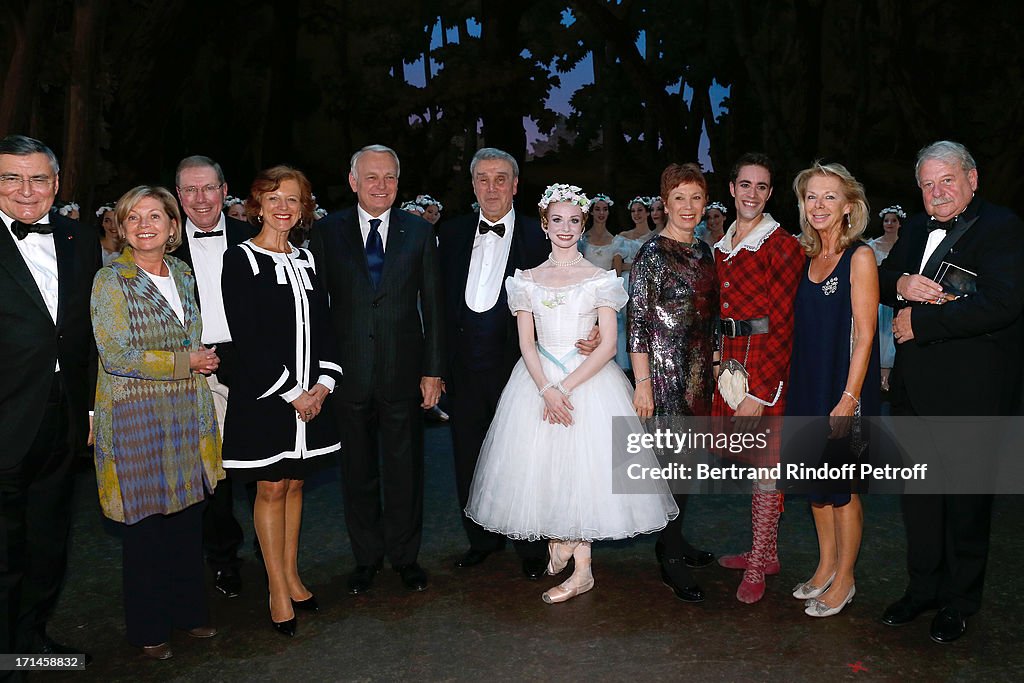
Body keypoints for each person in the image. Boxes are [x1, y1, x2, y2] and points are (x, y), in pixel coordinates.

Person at [465, 183, 678, 603]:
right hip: (537, 382)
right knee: (546, 468)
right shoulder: (526, 280)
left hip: (587, 382)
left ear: (583, 225)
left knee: (586, 471)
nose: (565, 228)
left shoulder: (601, 279)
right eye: (557, 220)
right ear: (544, 225)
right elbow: (526, 343)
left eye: (574, 220)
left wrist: (566, 387)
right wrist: (546, 388)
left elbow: (608, 344)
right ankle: (562, 539)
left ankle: (583, 570)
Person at [879, 141, 1024, 643]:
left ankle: (959, 602)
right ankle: (921, 591)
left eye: (947, 181)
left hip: (972, 393)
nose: (937, 192)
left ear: (972, 179)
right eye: (927, 184)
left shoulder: (1002, 227)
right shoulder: (916, 227)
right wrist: (902, 284)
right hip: (913, 392)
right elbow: (880, 276)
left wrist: (924, 321)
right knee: (919, 499)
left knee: (966, 502)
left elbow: (1004, 303)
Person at [91, 185, 222, 660]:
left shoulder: (183, 273)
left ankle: (190, 613)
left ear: (173, 226)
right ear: (122, 228)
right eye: (133, 218)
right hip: (135, 416)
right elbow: (116, 354)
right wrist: (184, 361)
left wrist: (194, 363)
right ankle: (149, 628)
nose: (144, 225)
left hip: (186, 413)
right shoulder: (111, 280)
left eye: (155, 216)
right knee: (145, 527)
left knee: (187, 518)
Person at [310, 144, 443, 594]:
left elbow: (434, 307)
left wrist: (433, 371)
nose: (381, 186)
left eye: (389, 177)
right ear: (353, 182)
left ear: (398, 183)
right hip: (346, 375)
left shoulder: (418, 233)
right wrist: (320, 374)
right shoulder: (327, 233)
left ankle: (406, 558)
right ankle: (366, 559)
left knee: (405, 471)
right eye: (371, 177)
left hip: (403, 372)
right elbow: (317, 311)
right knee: (357, 471)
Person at [221, 166, 341, 637]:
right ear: (257, 204)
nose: (283, 207)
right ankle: (274, 588)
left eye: (293, 199)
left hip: (311, 399)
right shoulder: (240, 259)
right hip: (267, 397)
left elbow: (326, 328)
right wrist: (294, 393)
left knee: (294, 484)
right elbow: (248, 338)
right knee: (270, 487)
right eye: (274, 198)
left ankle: (292, 577)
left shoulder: (309, 260)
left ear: (304, 207)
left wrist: (325, 386)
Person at [0, 135, 95, 663]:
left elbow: (81, 335)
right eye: (11, 177)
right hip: (5, 417)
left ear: (56, 185)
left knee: (48, 540)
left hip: (62, 416)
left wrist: (86, 408)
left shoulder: (79, 239)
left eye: (37, 178)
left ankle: (31, 642)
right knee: (4, 552)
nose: (25, 190)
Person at [438, 148, 551, 578]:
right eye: (482, 179)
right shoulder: (450, 234)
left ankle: (530, 546)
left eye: (500, 179)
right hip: (462, 370)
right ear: (472, 185)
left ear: (516, 185)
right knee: (468, 456)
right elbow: (436, 305)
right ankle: (481, 539)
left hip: (519, 370)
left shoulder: (537, 237)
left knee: (522, 458)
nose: (491, 187)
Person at [786, 163, 880, 617]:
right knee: (815, 485)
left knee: (842, 488)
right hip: (807, 383)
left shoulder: (859, 257)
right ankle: (825, 567)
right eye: (811, 196)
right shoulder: (805, 256)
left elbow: (865, 336)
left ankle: (846, 580)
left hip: (843, 389)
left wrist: (849, 399)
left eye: (829, 197)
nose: (819, 205)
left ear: (848, 206)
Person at [713, 153, 803, 603]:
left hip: (765, 365)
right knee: (752, 464)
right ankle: (761, 551)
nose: (751, 194)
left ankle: (762, 561)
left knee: (768, 467)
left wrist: (762, 394)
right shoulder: (722, 244)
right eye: (744, 184)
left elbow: (784, 323)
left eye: (761, 187)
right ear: (731, 189)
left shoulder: (782, 245)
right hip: (731, 362)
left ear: (770, 194)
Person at [629, 163, 720, 603]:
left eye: (696, 198)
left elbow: (713, 315)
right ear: (664, 204)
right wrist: (642, 382)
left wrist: (719, 364)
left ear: (705, 204)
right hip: (664, 374)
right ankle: (669, 555)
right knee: (670, 465)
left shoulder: (706, 251)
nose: (688, 207)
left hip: (700, 372)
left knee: (688, 464)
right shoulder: (652, 254)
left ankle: (677, 538)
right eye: (679, 198)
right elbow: (638, 324)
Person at [173, 155, 258, 599]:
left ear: (226, 191)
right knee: (212, 473)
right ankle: (223, 559)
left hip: (253, 362)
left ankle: (273, 558)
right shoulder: (164, 249)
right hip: (196, 364)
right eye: (189, 190)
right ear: (179, 196)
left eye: (208, 188)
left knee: (263, 468)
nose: (200, 199)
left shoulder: (255, 238)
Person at [868, 204, 906, 393]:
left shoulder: (905, 245)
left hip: (897, 299)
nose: (889, 224)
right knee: (880, 337)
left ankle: (892, 379)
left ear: (900, 224)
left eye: (894, 220)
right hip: (878, 301)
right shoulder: (872, 246)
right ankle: (879, 379)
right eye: (886, 220)